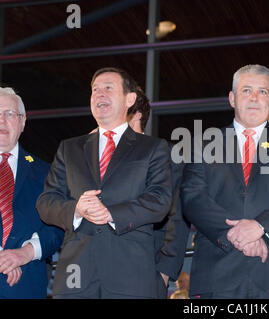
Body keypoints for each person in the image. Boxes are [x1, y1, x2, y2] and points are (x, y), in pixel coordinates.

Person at [181, 64, 269, 298]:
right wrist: (234, 234)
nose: (254, 98)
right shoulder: (201, 144)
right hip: (218, 275)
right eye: (246, 90)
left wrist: (261, 227)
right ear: (232, 98)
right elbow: (192, 197)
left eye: (262, 92)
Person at [36, 67, 173, 298]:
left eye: (108, 88)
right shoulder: (69, 148)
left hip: (131, 279)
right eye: (95, 90)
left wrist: (111, 214)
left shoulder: (152, 148)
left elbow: (160, 200)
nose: (99, 94)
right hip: (76, 278)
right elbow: (46, 202)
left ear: (130, 99)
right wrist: (77, 209)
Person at [126, 88, 190, 299]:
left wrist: (164, 272)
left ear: (136, 115)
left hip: (148, 272)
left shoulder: (167, 156)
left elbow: (178, 217)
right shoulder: (96, 158)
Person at [0, 87, 63, 298]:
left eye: (9, 114)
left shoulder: (47, 173)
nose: (1, 120)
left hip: (26, 285)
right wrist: (5, 259)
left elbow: (57, 228)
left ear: (23, 121)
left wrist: (24, 254)